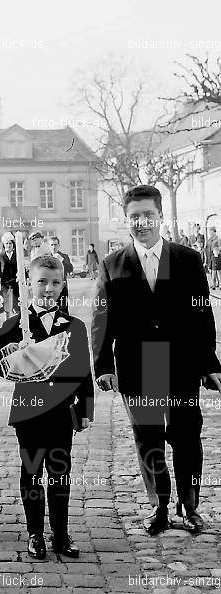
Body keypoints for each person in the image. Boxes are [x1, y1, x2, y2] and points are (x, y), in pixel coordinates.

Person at [92, 184, 221, 536]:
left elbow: (202, 315)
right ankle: (159, 506)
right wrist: (103, 366)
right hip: (137, 365)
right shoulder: (113, 264)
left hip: (181, 363)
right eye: (134, 216)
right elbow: (102, 319)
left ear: (160, 216)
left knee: (186, 436)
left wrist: (209, 364)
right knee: (148, 439)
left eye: (148, 215)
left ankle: (190, 506)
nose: (142, 222)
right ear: (126, 220)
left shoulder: (187, 259)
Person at [0, 255, 94, 560]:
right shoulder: (16, 325)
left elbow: (83, 371)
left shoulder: (74, 326)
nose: (48, 289)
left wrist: (86, 410)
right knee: (32, 471)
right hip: (29, 412)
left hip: (61, 413)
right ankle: (35, 533)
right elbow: (0, 366)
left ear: (63, 285)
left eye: (55, 283)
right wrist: (13, 352)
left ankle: (61, 534)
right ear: (29, 283)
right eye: (41, 282)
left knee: (60, 472)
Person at [0, 232, 19, 319]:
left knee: (17, 304)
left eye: (10, 243)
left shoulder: (17, 255)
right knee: (7, 306)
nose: (9, 245)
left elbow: (21, 268)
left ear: (13, 244)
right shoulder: (0, 256)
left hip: (16, 283)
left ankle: (19, 322)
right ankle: (7, 322)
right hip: (5, 284)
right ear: (4, 244)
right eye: (7, 243)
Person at [49, 235, 73, 310]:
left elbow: (70, 269)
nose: (53, 247)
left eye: (55, 244)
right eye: (52, 245)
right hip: (50, 287)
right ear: (49, 246)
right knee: (52, 310)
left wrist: (62, 260)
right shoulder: (46, 258)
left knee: (64, 309)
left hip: (62, 286)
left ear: (59, 245)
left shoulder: (64, 256)